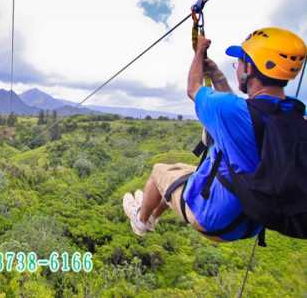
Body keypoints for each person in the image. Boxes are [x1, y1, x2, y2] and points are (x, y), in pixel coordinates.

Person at [123, 27, 306, 242]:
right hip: (250, 220)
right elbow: (242, 114)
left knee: (158, 171)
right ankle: (154, 213)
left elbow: (193, 88)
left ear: (250, 68)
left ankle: (141, 220)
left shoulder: (231, 110)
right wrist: (217, 76)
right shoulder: (294, 115)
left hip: (213, 218)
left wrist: (199, 51)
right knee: (182, 171)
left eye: (240, 63)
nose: (237, 68)